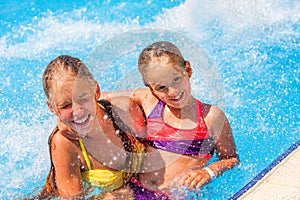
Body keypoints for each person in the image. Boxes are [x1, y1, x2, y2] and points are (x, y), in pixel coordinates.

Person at [102, 41, 239, 199]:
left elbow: (231, 158)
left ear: (187, 70)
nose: (173, 92)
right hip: (132, 190)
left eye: (176, 79)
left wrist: (210, 171)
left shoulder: (210, 117)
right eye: (161, 88)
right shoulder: (147, 100)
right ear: (150, 87)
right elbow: (94, 99)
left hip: (173, 196)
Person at [33, 55, 145, 199]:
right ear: (52, 108)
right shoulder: (65, 144)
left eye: (83, 99)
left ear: (96, 91)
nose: (78, 112)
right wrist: (108, 197)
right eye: (65, 105)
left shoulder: (122, 111)